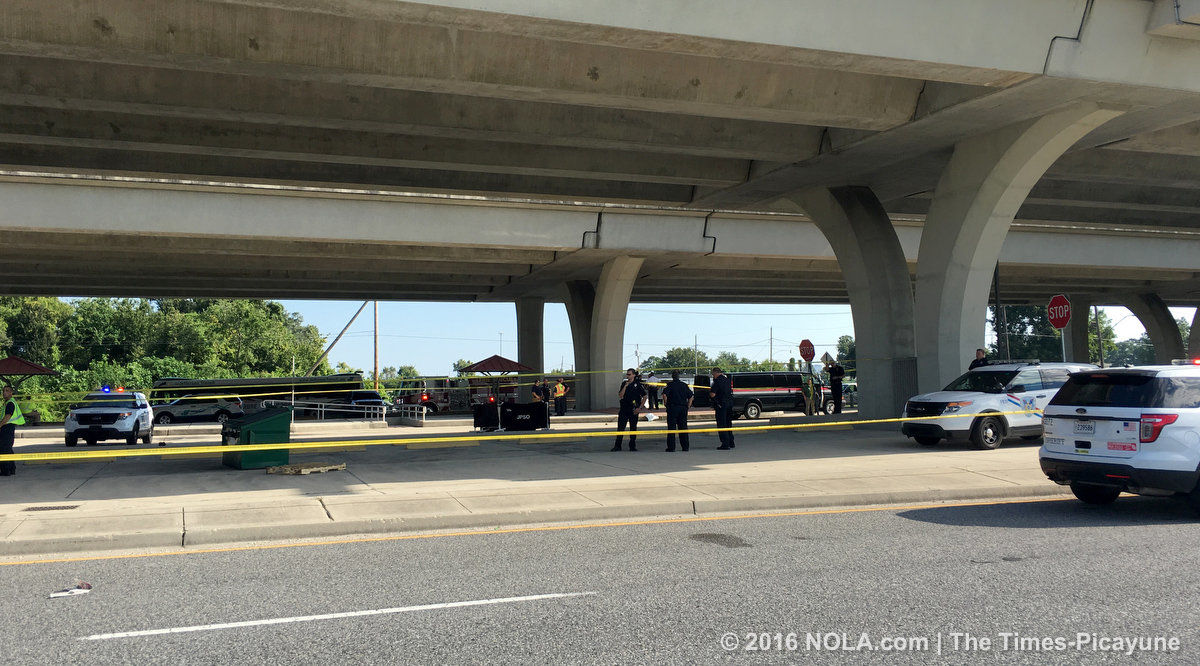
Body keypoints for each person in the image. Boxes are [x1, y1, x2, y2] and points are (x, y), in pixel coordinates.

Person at [612, 369, 645, 452]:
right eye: (627, 374)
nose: (628, 376)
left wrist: (640, 408)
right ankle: (617, 446)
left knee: (633, 428)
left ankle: (632, 446)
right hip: (624, 409)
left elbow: (645, 396)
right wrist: (625, 386)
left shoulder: (638, 384)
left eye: (629, 374)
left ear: (634, 375)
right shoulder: (624, 383)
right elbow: (620, 395)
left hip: (633, 409)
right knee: (620, 428)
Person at [662, 370, 693, 452]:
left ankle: (671, 447)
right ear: (679, 376)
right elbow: (691, 396)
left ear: (672, 377)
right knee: (683, 427)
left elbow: (664, 394)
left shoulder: (670, 385)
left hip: (673, 408)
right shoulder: (684, 385)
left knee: (671, 428)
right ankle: (685, 447)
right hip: (683, 408)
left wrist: (666, 403)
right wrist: (688, 406)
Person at [709, 367, 735, 450]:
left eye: (713, 374)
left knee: (722, 424)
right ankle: (731, 442)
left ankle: (725, 444)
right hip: (729, 404)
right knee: (728, 423)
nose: (713, 376)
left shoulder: (717, 381)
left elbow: (712, 394)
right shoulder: (727, 380)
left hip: (721, 405)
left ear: (715, 373)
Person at [0, 385, 24, 476]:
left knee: (4, 449)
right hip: (7, 428)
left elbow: (7, 416)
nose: (4, 393)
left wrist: (0, 425)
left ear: (11, 393)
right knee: (8, 449)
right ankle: (11, 469)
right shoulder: (7, 403)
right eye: (3, 391)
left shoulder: (10, 403)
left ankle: (5, 471)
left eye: (7, 391)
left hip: (7, 428)